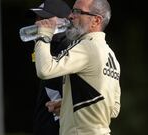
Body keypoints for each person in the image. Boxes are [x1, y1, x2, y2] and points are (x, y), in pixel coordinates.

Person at [34, 0, 121, 134]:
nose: (70, 16)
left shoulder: (87, 47)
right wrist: (68, 104)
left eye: (78, 12)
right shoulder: (111, 55)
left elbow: (45, 70)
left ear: (96, 21)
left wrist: (44, 35)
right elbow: (114, 109)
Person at [28, 0, 71, 135]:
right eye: (38, 18)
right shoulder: (48, 48)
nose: (37, 23)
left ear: (64, 22)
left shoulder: (70, 50)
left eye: (45, 19)